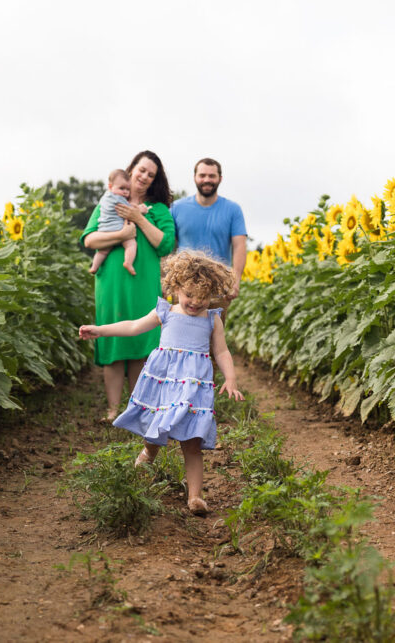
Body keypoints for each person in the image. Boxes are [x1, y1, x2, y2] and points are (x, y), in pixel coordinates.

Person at [78, 250, 244, 516]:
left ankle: (195, 497)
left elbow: (222, 352)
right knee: (154, 435)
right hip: (165, 382)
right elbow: (132, 326)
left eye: (203, 298)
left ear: (212, 294)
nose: (195, 303)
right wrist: (100, 330)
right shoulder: (165, 312)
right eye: (189, 296)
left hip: (193, 385)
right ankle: (142, 468)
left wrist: (231, 378)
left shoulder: (213, 319)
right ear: (176, 287)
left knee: (192, 440)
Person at [81, 150, 176, 422]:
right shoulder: (109, 201)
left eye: (151, 174)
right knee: (111, 343)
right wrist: (121, 234)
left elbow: (165, 244)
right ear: (132, 169)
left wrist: (138, 218)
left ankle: (137, 409)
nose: (144, 176)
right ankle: (112, 410)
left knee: (140, 344)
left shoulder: (158, 210)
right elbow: (90, 240)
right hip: (110, 283)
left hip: (144, 283)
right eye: (141, 169)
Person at [170, 158, 247, 309]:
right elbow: (166, 245)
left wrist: (236, 280)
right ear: (195, 177)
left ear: (220, 179)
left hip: (218, 287)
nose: (207, 180)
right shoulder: (176, 208)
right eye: (202, 175)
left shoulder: (233, 210)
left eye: (212, 176)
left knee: (215, 330)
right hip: (183, 286)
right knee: (180, 331)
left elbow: (239, 246)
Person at [88, 168, 148, 275]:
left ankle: (94, 267)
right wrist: (141, 210)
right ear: (110, 187)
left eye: (127, 189)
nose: (125, 192)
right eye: (122, 188)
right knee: (131, 245)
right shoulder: (118, 198)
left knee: (103, 251)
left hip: (104, 229)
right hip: (118, 227)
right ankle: (128, 262)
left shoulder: (105, 197)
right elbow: (130, 210)